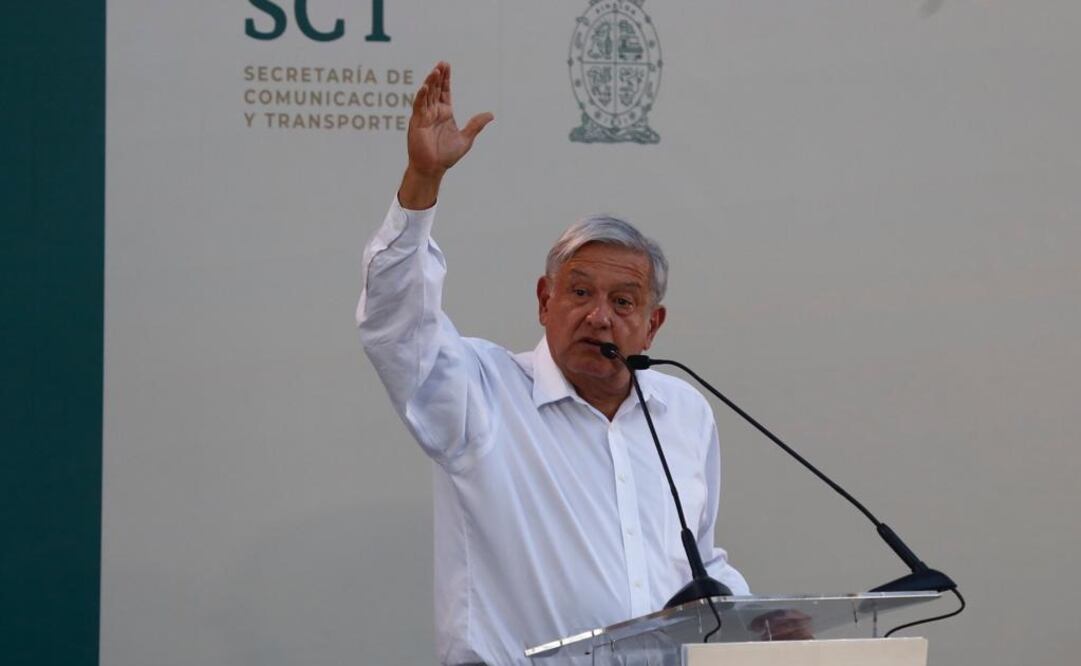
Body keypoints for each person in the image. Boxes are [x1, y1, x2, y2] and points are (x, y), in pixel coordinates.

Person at [357, 62, 748, 666]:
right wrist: (422, 180)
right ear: (545, 302)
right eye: (580, 293)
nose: (599, 317)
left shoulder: (684, 413)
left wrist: (757, 618)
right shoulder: (480, 394)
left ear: (653, 325)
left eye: (623, 302)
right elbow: (395, 322)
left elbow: (695, 558)